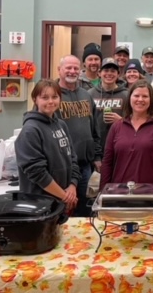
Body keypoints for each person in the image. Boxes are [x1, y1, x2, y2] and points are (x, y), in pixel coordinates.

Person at [99, 80, 153, 196]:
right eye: (136, 95)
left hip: (149, 194)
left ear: (151, 100)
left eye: (145, 96)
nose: (140, 99)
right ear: (130, 98)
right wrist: (103, 192)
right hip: (119, 192)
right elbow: (107, 162)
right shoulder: (117, 126)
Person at [16, 79, 81, 213]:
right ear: (35, 99)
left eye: (54, 97)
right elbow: (36, 172)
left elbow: (73, 158)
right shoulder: (30, 130)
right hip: (40, 205)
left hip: (62, 200)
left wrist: (72, 185)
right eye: (45, 97)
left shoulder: (61, 124)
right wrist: (64, 196)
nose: (51, 101)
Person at [57, 55, 101, 216]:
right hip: (61, 168)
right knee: (62, 211)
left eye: (76, 68)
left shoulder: (86, 95)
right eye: (68, 67)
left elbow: (94, 129)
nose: (72, 71)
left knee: (85, 211)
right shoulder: (52, 95)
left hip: (84, 166)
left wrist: (97, 156)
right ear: (59, 70)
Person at [87, 57, 128, 153]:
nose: (109, 73)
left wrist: (121, 121)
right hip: (96, 147)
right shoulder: (90, 94)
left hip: (120, 147)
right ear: (99, 73)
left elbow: (135, 122)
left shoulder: (127, 95)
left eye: (113, 71)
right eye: (106, 70)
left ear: (118, 74)